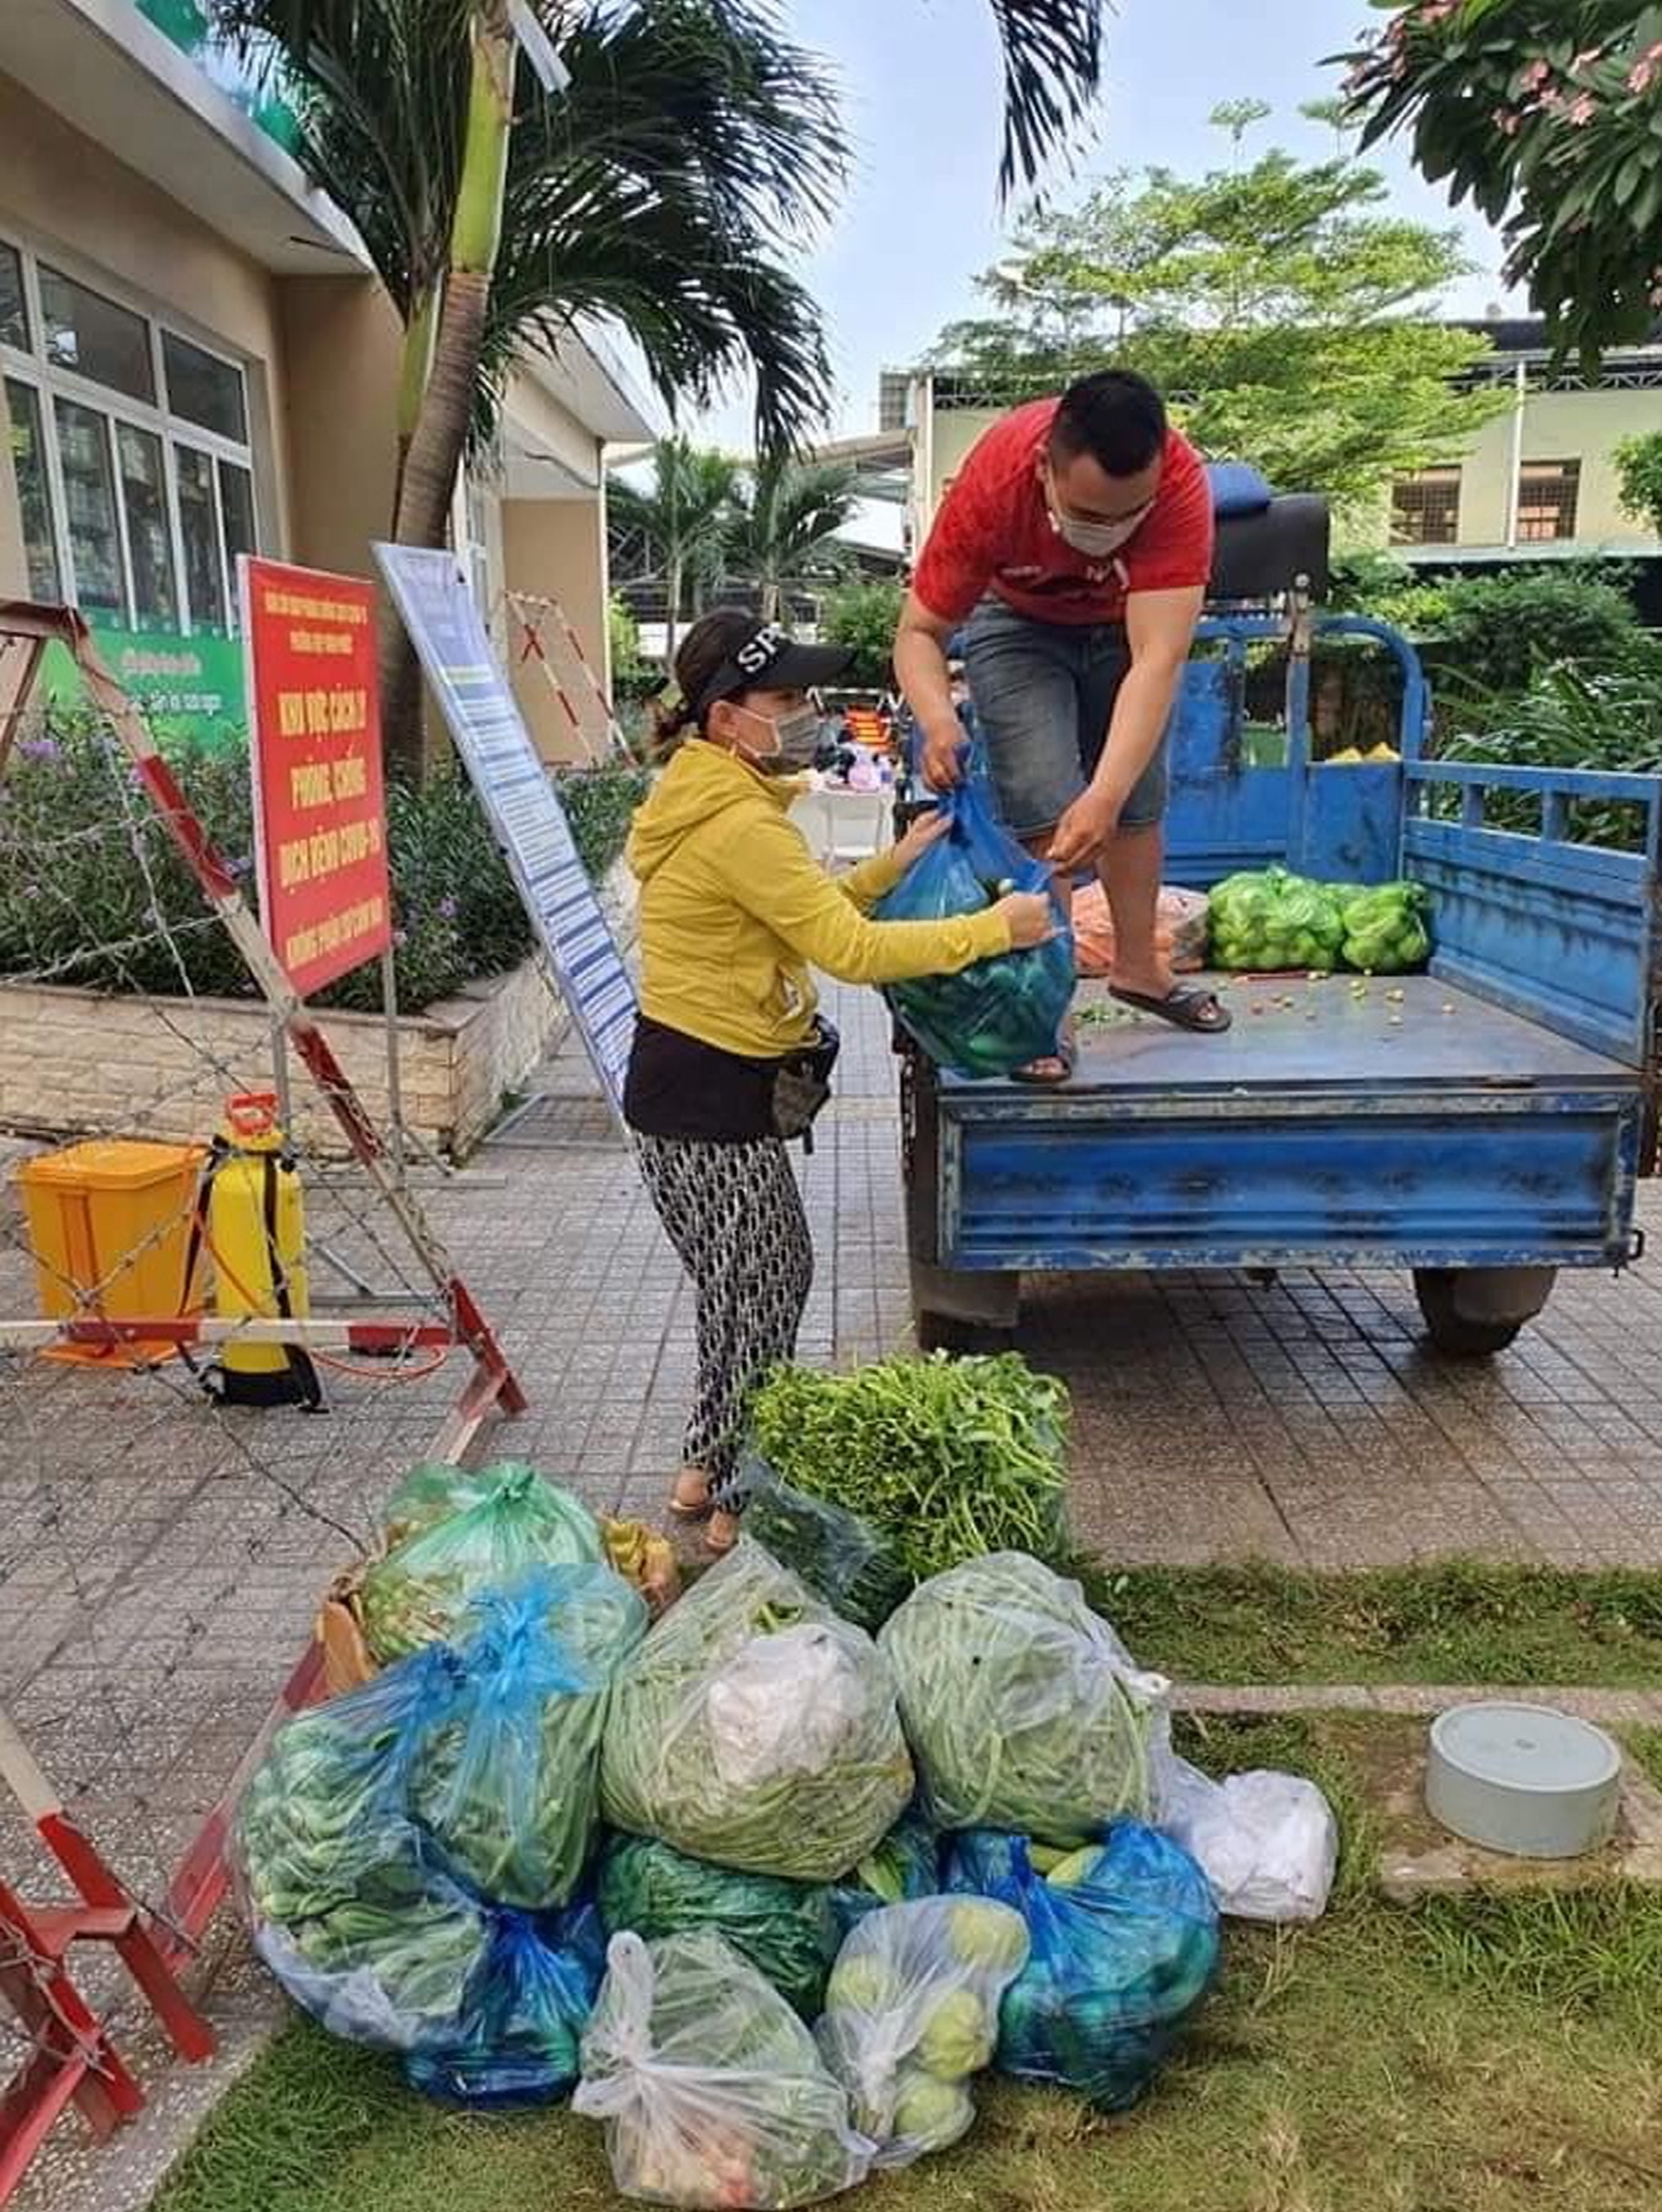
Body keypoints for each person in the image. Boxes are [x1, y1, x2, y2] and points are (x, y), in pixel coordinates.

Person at [624, 607, 1055, 1550]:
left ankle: (702, 1464)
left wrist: (887, 864)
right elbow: (849, 952)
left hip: (678, 1086)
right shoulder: (740, 821)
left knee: (735, 1288)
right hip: (707, 1095)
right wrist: (994, 930)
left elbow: (794, 915)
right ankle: (737, 1493)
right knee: (775, 1281)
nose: (808, 713)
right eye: (786, 697)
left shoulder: (706, 796)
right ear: (727, 714)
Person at [894, 367, 1231, 1080]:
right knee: (1046, 799)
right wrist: (936, 717)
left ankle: (1139, 968)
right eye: (1091, 514)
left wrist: (1107, 795)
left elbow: (1158, 658)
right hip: (1016, 623)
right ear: (1045, 465)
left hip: (1125, 628)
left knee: (1133, 801)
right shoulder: (992, 482)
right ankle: (1048, 1007)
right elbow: (919, 632)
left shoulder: (1179, 483)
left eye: (1126, 516)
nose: (1107, 534)